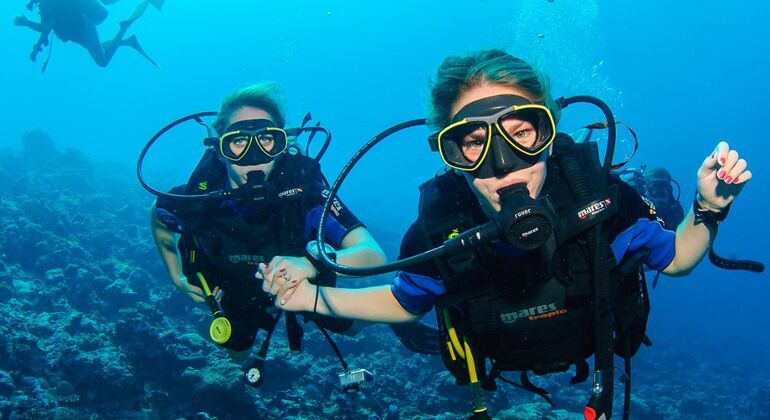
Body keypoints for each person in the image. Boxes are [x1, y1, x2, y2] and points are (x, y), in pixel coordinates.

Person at [264, 49, 754, 418]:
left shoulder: (601, 199)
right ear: (448, 154)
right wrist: (306, 297)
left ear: (551, 132)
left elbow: (677, 259)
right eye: (473, 143)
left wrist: (708, 207)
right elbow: (404, 300)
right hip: (497, 371)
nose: (502, 167)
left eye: (522, 133)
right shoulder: (439, 229)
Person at [150, 83, 434, 387]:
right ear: (219, 148)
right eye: (238, 143)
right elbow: (159, 218)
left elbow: (370, 253)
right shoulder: (198, 199)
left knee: (350, 328)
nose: (254, 156)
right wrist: (177, 278)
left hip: (306, 285)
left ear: (282, 144)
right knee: (235, 353)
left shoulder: (305, 195)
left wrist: (312, 264)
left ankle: (387, 318)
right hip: (237, 290)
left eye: (267, 140)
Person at [13, 0, 161, 69]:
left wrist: (27, 23)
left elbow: (46, 28)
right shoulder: (46, 5)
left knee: (102, 61)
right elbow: (46, 29)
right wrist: (36, 48)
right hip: (79, 31)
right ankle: (127, 41)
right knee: (101, 47)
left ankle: (123, 28)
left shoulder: (48, 4)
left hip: (82, 28)